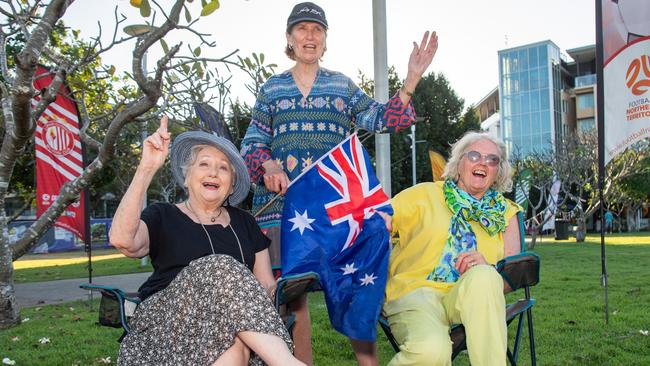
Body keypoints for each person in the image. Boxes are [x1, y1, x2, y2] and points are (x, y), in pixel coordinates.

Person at [240, 2, 438, 365]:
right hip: (285, 213)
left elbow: (381, 118)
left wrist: (410, 80)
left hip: (335, 212)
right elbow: (251, 143)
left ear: (325, 39)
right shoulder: (271, 89)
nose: (309, 36)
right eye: (302, 29)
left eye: (317, 30)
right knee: (290, 297)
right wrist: (267, 164)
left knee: (354, 287)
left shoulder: (342, 85)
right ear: (289, 37)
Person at [110, 116, 304, 366]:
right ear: (187, 176)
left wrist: (290, 284)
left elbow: (265, 286)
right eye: (204, 164)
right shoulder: (163, 215)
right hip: (167, 327)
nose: (214, 172)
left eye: (223, 167)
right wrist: (146, 168)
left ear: (231, 184)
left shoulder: (245, 223)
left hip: (232, 328)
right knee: (220, 266)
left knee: (236, 345)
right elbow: (122, 240)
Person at [380, 131, 522, 366]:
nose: (483, 163)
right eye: (474, 156)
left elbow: (512, 275)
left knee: (486, 275)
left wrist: (490, 268)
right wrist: (380, 221)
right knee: (431, 352)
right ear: (459, 163)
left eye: (492, 160)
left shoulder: (507, 212)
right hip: (416, 292)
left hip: (472, 297)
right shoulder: (424, 194)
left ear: (499, 170)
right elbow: (381, 218)